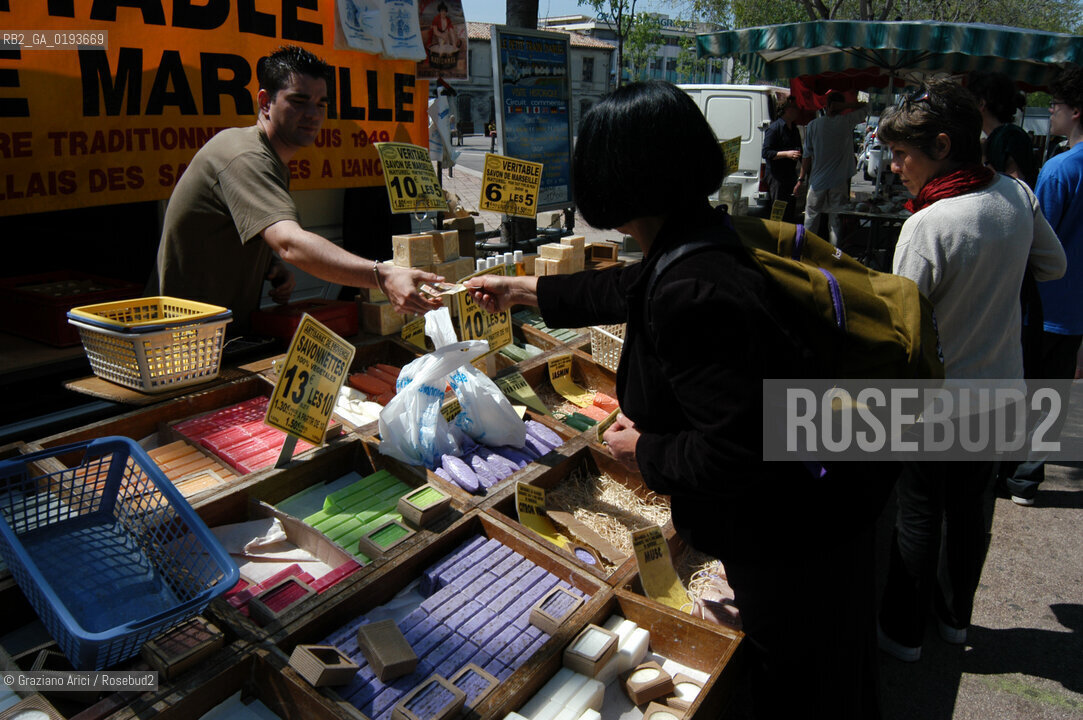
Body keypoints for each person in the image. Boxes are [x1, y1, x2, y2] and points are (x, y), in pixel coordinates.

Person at [465, 80, 886, 720]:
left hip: (793, 530)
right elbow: (626, 288)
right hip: (824, 508)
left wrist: (646, 451)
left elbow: (738, 450)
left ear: (616, 178)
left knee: (802, 687)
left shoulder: (695, 290)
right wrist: (522, 290)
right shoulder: (702, 240)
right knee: (833, 666)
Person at [875, 79, 1065, 662]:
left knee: (919, 513)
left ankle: (904, 635)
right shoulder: (1015, 194)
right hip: (1000, 390)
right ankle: (956, 621)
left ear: (941, 144)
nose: (893, 166)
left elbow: (899, 330)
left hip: (937, 401)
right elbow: (1053, 265)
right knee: (970, 513)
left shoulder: (928, 226)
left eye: (903, 154)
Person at [151, 46, 443, 333]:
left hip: (215, 333)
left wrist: (270, 267)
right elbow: (291, 243)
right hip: (180, 338)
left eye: (320, 104)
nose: (313, 114)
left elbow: (236, 234)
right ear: (265, 102)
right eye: (299, 101)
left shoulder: (271, 158)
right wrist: (384, 275)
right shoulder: (245, 156)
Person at [1002, 63, 1083, 505]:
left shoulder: (1058, 170)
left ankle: (1012, 474)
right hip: (1075, 311)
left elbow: (1037, 243)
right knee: (1053, 395)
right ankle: (1027, 479)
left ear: (1077, 111)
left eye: (1055, 105)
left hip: (1043, 305)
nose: (1050, 112)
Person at [798, 91, 866, 245]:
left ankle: (806, 251)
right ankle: (834, 255)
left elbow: (806, 155)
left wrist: (801, 178)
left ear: (826, 106)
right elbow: (867, 107)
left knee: (811, 218)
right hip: (839, 181)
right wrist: (847, 105)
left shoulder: (813, 125)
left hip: (817, 181)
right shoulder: (847, 121)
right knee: (835, 221)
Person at [968, 70, 1038, 187]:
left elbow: (1015, 185)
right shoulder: (1001, 135)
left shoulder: (1010, 136)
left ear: (981, 104)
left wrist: (984, 159)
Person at [761, 96, 802, 222]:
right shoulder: (775, 128)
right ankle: (774, 237)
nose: (796, 110)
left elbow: (801, 151)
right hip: (777, 176)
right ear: (786, 109)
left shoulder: (794, 129)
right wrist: (786, 154)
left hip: (790, 176)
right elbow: (766, 152)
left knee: (790, 211)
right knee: (778, 211)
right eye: (793, 107)